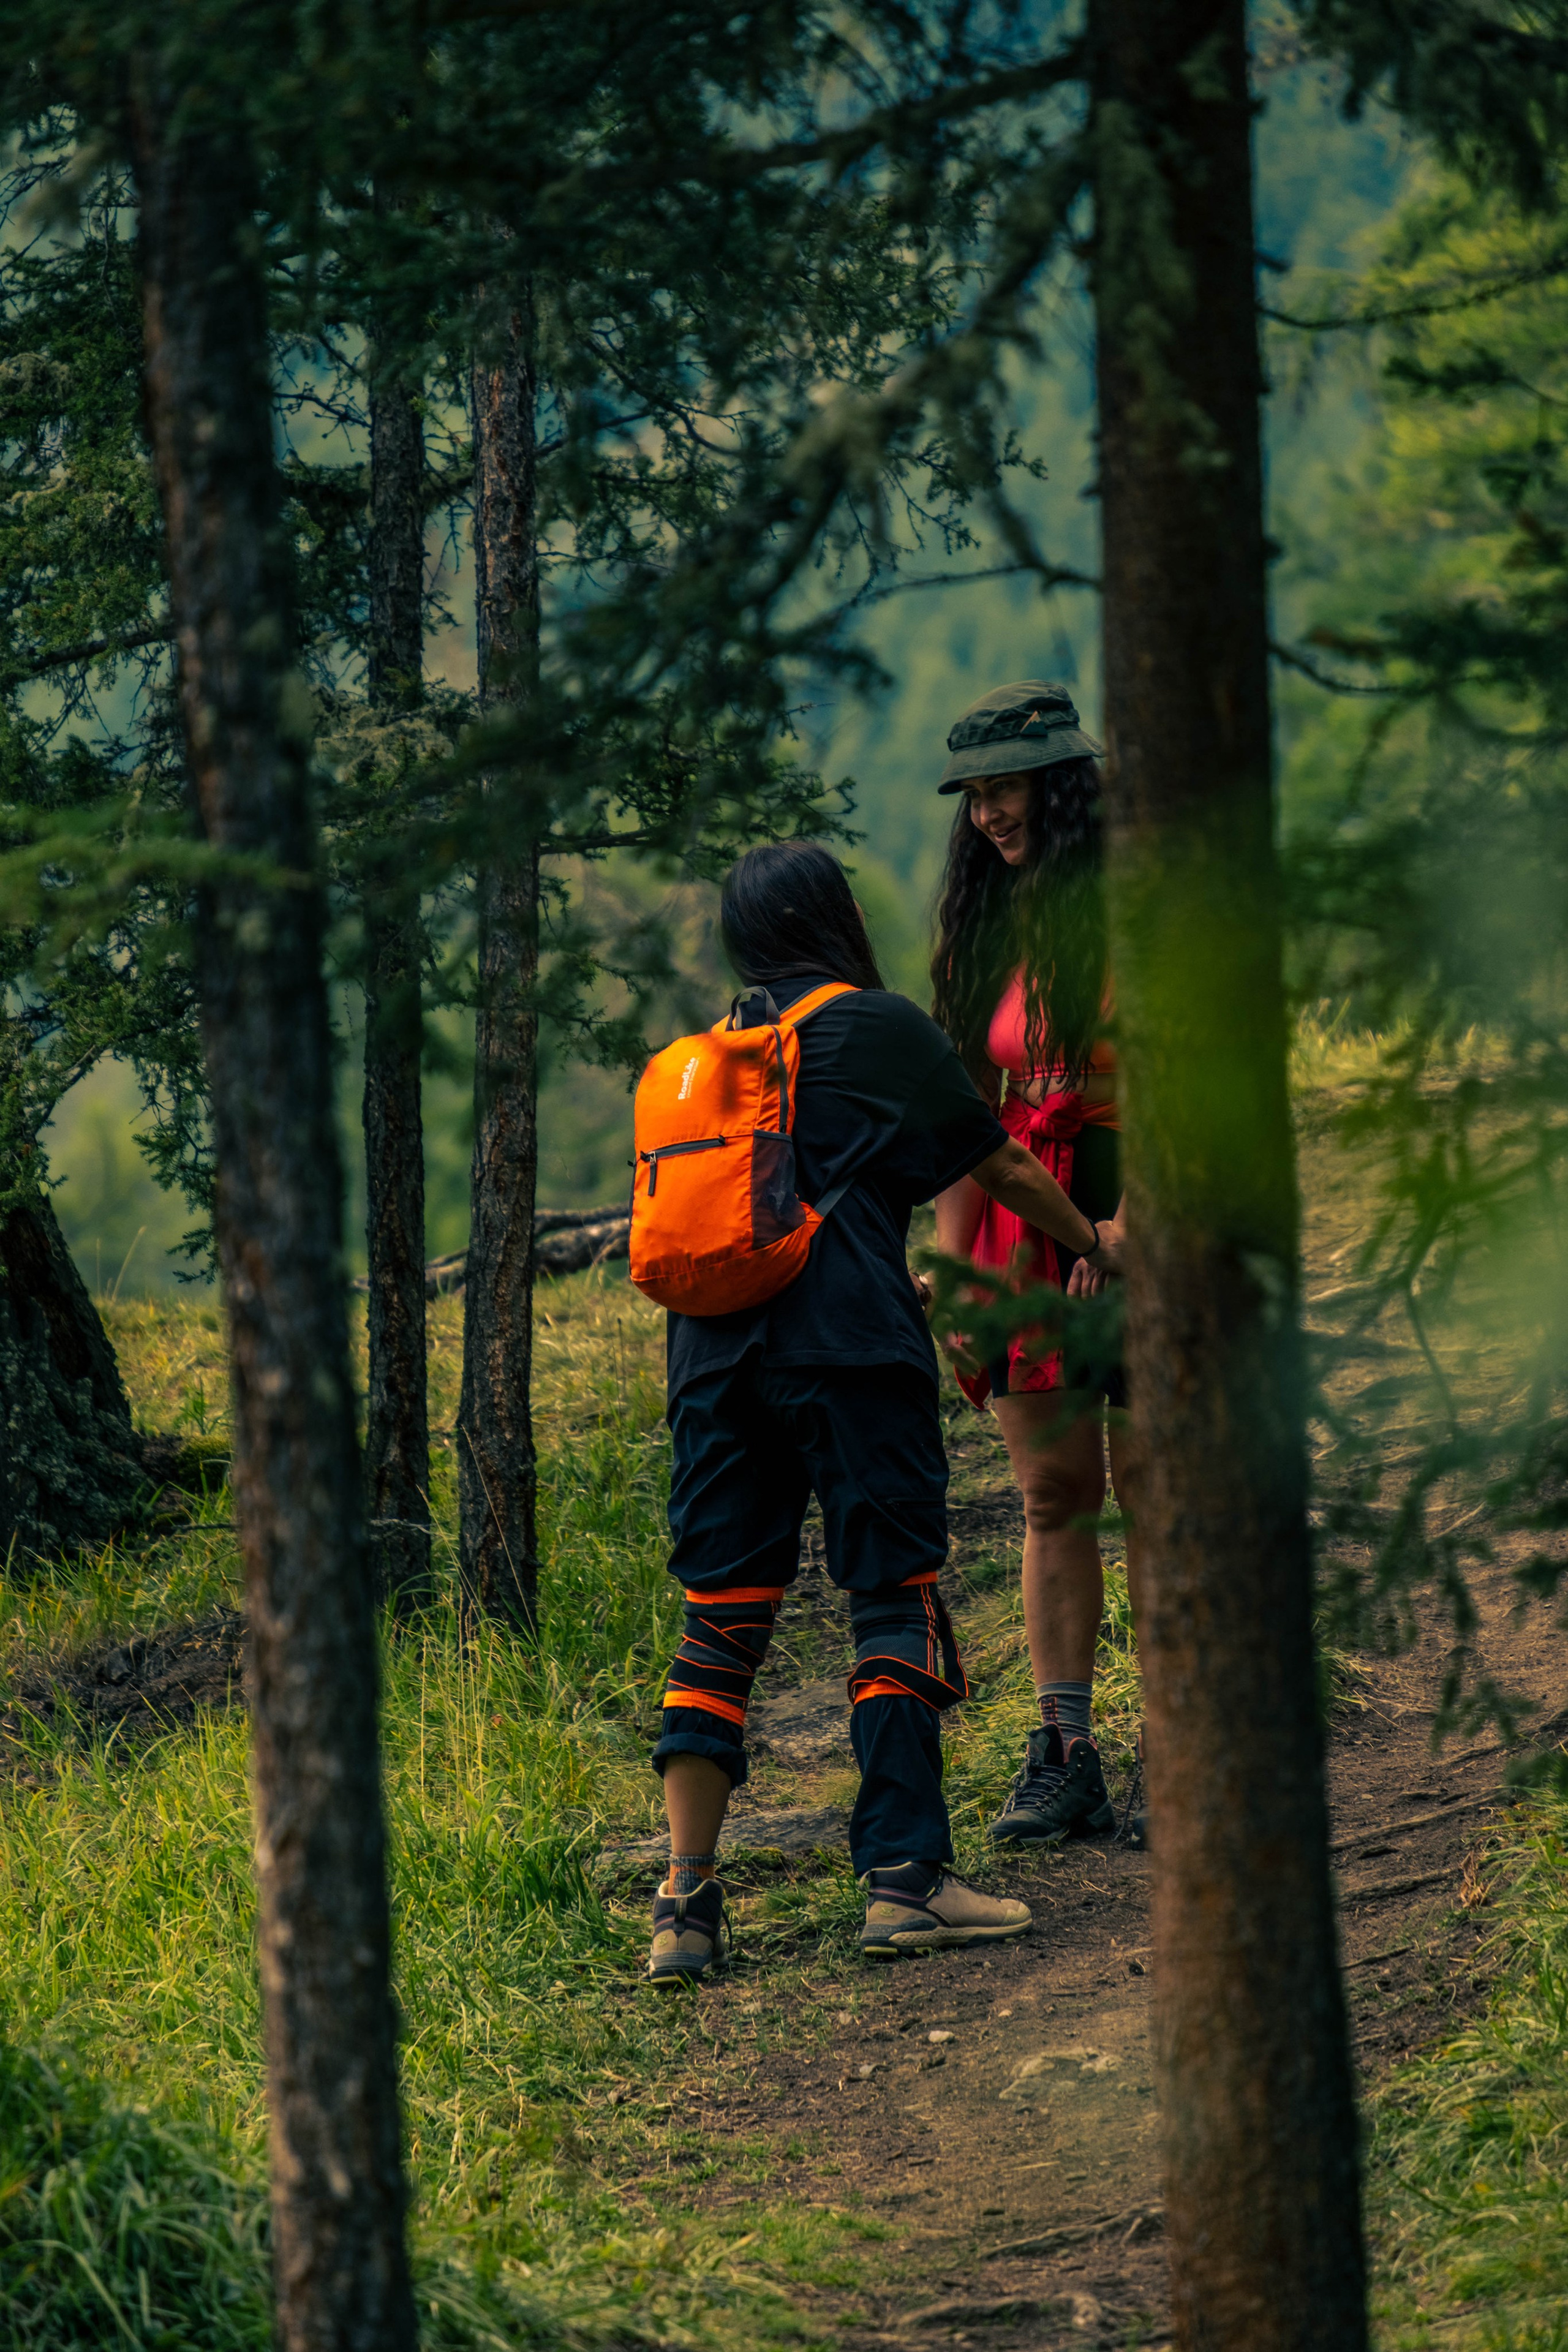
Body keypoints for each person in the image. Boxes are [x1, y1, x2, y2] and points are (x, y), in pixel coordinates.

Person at [647, 840, 1123, 1984]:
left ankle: (684, 1904)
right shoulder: (877, 1028)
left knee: (720, 1619)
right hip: (850, 1356)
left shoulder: (713, 1059)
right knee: (891, 1600)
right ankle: (907, 1882)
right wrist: (1090, 1240)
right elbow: (999, 1166)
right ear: (834, 922)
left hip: (712, 1361)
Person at [930, 680, 1137, 1849]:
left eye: (1004, 789)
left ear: (1060, 787)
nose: (987, 816)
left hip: (1136, 1195)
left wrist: (1131, 1231)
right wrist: (958, 1272)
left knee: (1157, 1490)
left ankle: (1193, 1742)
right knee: (1054, 1495)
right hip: (1026, 1215)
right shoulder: (986, 922)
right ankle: (1067, 1754)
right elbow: (968, 1112)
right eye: (974, 798)